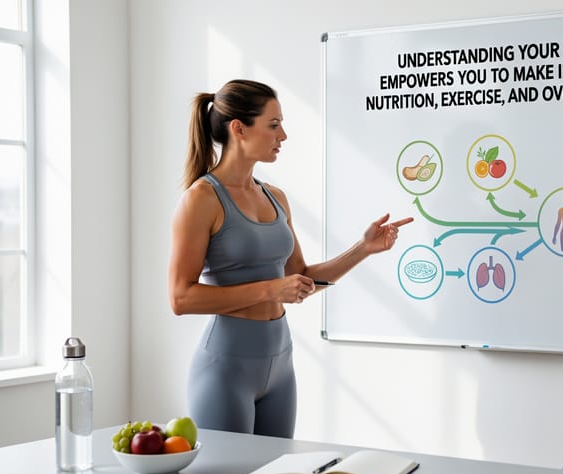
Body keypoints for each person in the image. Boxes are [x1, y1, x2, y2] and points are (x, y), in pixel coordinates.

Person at [168, 79, 412, 438]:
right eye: (273, 125)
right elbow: (180, 298)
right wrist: (270, 290)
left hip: (280, 365)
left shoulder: (275, 197)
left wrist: (363, 249)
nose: (283, 136)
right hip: (225, 367)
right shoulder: (201, 199)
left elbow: (301, 279)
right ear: (239, 129)